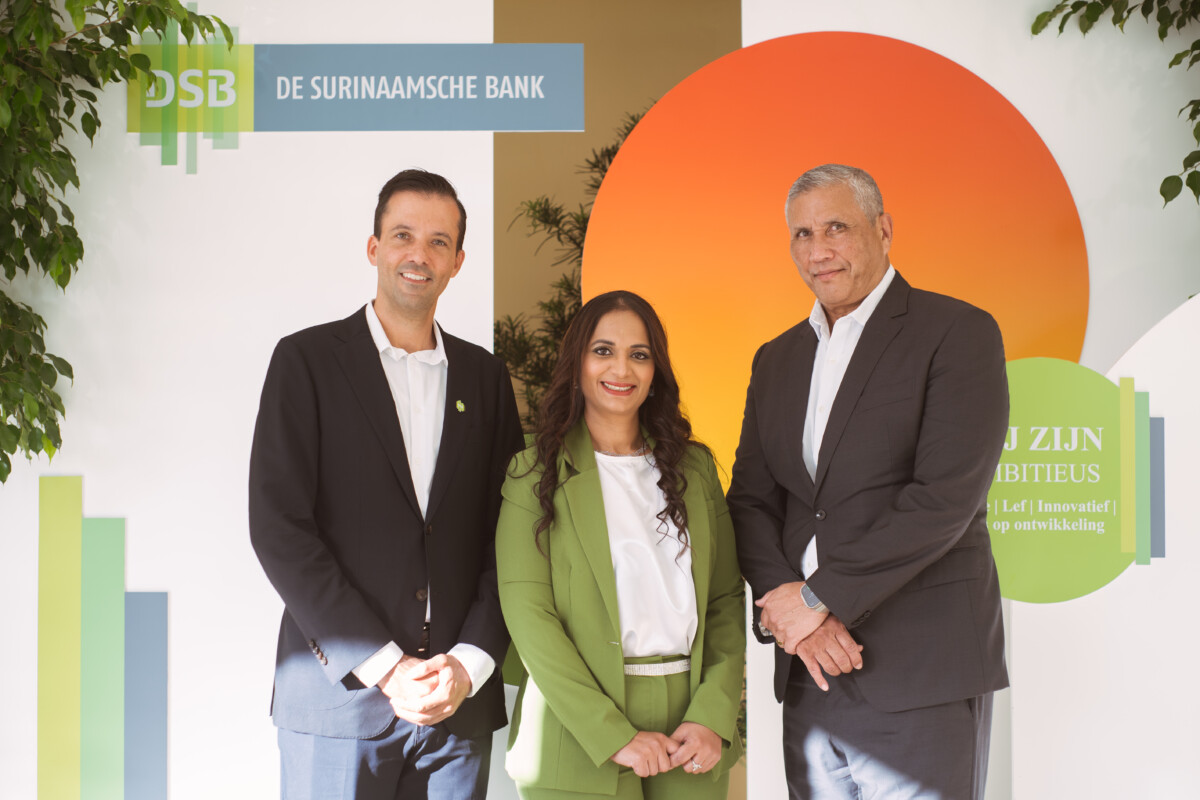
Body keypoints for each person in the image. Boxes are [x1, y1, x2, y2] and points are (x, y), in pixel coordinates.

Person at [727, 164, 1009, 800]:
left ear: (883, 229)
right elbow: (750, 501)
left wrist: (817, 598)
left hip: (921, 673)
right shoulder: (776, 359)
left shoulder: (957, 332)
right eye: (802, 234)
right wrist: (794, 611)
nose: (818, 250)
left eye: (836, 228)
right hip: (810, 673)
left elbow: (944, 499)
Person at [249, 168, 524, 800]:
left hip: (457, 709)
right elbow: (279, 528)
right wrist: (386, 666)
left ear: (457, 262)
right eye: (403, 235)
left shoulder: (486, 379)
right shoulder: (306, 362)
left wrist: (469, 664)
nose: (418, 255)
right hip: (339, 704)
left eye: (437, 242)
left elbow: (510, 534)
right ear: (374, 248)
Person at [495, 290, 745, 800]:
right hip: (576, 731)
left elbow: (724, 600)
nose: (622, 369)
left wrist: (712, 715)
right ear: (577, 363)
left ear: (656, 372)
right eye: (603, 351)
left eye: (639, 354)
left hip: (689, 728)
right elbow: (529, 618)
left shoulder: (695, 470)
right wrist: (611, 733)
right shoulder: (532, 474)